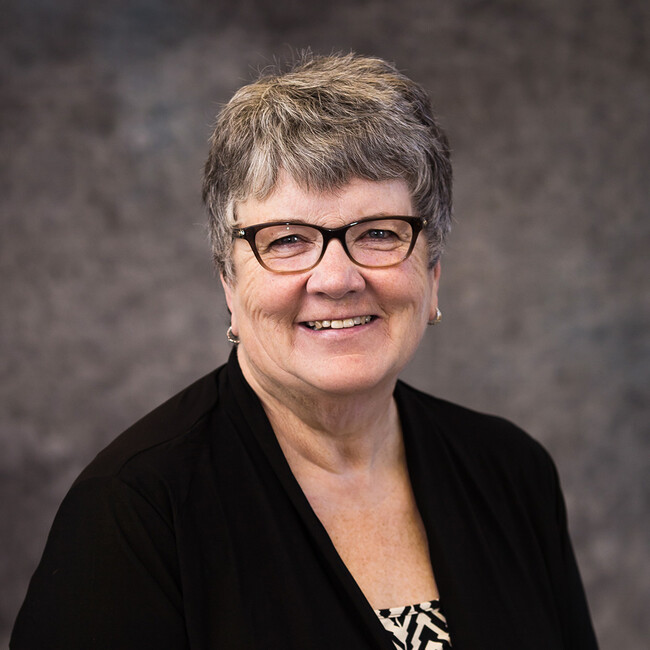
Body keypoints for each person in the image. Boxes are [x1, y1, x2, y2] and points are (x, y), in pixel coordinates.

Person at [11, 53, 598, 650]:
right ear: (229, 284)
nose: (336, 278)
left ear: (433, 274)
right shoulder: (134, 509)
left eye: (378, 233)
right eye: (288, 240)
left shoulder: (510, 472)